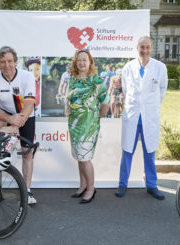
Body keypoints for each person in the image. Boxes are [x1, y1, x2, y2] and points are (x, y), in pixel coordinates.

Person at [0, 46, 37, 205]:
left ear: (16, 62)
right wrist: (10, 120)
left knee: (27, 153)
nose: (7, 65)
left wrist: (17, 123)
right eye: (2, 62)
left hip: (26, 114)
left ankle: (27, 190)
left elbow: (30, 103)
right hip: (4, 113)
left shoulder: (27, 76)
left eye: (10, 61)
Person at [115, 36, 168, 200]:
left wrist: (149, 107)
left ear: (151, 48)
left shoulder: (160, 67)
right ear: (137, 48)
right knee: (127, 151)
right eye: (142, 47)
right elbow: (125, 89)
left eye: (148, 47)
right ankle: (123, 184)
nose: (145, 50)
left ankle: (152, 185)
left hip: (149, 117)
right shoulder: (128, 67)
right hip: (132, 116)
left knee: (150, 152)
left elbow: (162, 91)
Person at [67, 49, 109, 204]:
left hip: (88, 126)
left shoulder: (97, 81)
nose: (82, 63)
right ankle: (82, 185)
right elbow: (70, 100)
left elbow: (105, 103)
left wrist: (96, 118)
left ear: (90, 62)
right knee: (79, 157)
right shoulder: (73, 80)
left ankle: (91, 188)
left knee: (85, 158)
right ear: (75, 62)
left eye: (85, 60)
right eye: (79, 60)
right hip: (74, 125)